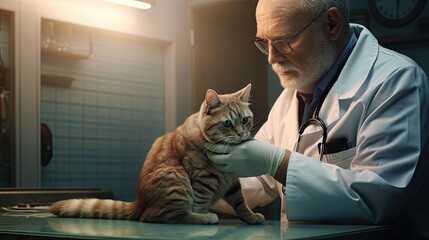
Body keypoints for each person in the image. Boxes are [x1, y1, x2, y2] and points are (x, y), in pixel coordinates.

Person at [205, 0, 429, 238]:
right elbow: (258, 179)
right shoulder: (291, 95)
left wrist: (281, 164)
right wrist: (193, 178)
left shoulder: (397, 81)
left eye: (284, 42)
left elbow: (380, 199)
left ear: (331, 24)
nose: (271, 58)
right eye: (264, 43)